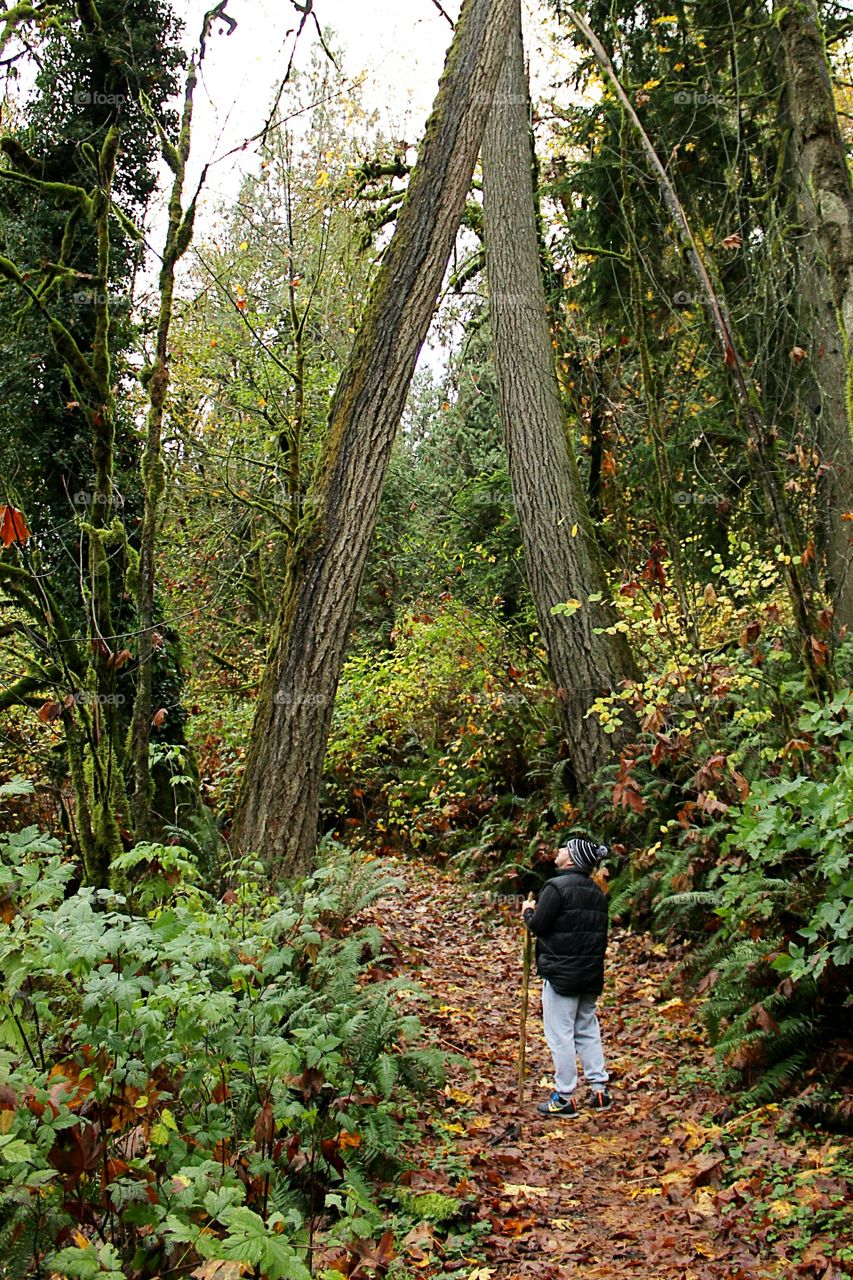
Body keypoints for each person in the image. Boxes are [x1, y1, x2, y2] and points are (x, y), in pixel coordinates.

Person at [520, 836, 612, 1117]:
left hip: (561, 975)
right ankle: (599, 1091)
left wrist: (527, 912)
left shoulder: (556, 887)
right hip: (589, 974)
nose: (557, 852)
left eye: (563, 849)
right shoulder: (597, 893)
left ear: (571, 859)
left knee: (560, 1034)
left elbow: (539, 925)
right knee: (586, 1029)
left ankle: (565, 1096)